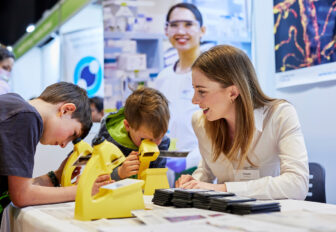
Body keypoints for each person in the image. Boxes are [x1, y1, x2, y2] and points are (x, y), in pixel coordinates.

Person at [176, 45, 309, 200]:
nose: (194, 100)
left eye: (202, 91)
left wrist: (223, 188)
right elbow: (206, 171)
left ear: (232, 92)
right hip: (222, 216)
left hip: (268, 216)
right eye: (194, 90)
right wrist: (192, 183)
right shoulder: (200, 122)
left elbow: (297, 185)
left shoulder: (279, 115)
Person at [0, 82, 112, 222]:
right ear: (66, 110)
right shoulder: (26, 117)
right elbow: (22, 195)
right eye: (72, 134)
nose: (64, 145)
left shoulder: (15, 107)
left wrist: (57, 176)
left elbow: (16, 189)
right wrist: (82, 190)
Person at [149, 3, 206, 182]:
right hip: (168, 167)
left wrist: (191, 159)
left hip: (205, 166)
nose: (181, 31)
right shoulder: (162, 78)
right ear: (166, 31)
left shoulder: (213, 73)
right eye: (174, 25)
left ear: (202, 30)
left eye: (188, 24)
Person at [94, 87, 170, 180]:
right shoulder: (106, 142)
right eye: (145, 139)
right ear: (127, 126)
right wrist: (119, 173)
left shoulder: (162, 142)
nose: (155, 144)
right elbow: (94, 179)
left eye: (160, 136)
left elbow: (156, 179)